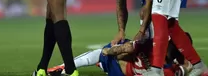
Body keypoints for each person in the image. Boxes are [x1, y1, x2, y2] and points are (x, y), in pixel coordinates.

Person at [47, 34, 194, 76]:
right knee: (116, 50)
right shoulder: (173, 67)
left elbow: (129, 48)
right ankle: (64, 68)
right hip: (123, 64)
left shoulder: (169, 68)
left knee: (103, 53)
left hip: (119, 67)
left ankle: (63, 68)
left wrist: (110, 51)